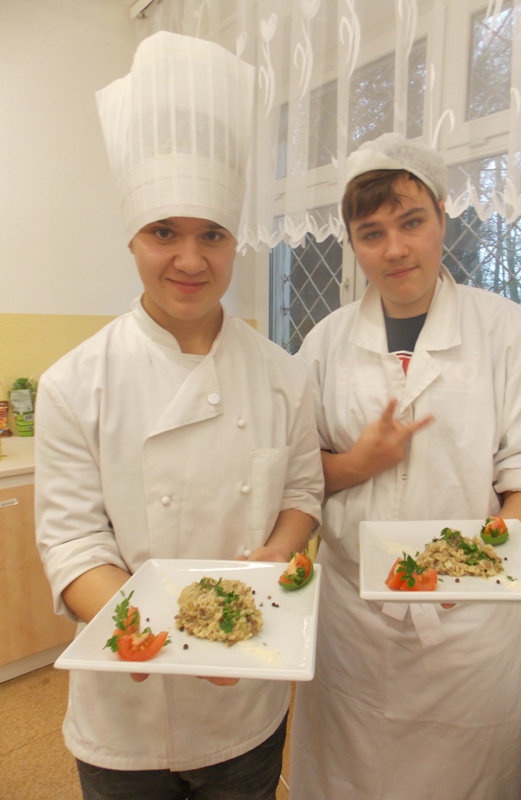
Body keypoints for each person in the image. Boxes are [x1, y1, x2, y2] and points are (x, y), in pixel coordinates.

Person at [35, 31, 323, 800]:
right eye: (164, 232)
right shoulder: (75, 384)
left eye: (211, 235)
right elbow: (72, 542)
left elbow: (303, 491)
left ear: (235, 243)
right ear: (131, 237)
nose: (190, 260)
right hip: (127, 707)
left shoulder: (285, 375)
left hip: (248, 700)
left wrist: (275, 555)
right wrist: (171, 636)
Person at [288, 133, 521, 800]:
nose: (394, 249)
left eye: (412, 222)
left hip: (470, 626)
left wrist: (472, 570)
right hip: (353, 620)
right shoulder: (324, 345)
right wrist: (358, 463)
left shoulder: (511, 336)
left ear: (443, 216)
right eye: (371, 233)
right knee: (347, 778)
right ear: (352, 243)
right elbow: (299, 477)